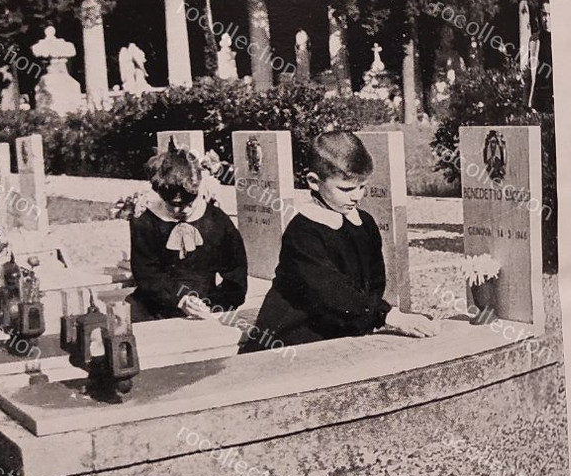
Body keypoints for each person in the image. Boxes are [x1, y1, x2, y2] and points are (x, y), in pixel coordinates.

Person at [244, 130, 435, 350]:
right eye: (346, 189)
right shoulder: (303, 232)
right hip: (292, 335)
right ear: (314, 182)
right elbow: (329, 291)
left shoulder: (363, 222)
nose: (357, 196)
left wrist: (374, 317)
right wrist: (387, 316)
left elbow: (374, 282)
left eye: (362, 186)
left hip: (343, 327)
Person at [129, 147, 248, 321]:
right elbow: (146, 273)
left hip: (205, 306)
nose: (179, 210)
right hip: (155, 306)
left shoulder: (217, 222)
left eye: (186, 204)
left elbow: (236, 274)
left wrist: (214, 305)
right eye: (171, 204)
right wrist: (180, 300)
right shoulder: (147, 223)